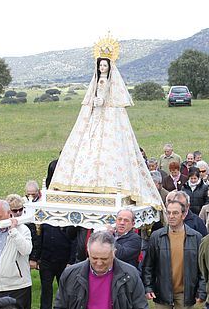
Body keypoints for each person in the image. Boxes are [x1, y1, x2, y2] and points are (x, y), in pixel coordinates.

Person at [48, 52, 163, 215]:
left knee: (108, 150)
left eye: (105, 66)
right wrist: (96, 102)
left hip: (108, 117)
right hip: (95, 116)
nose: (102, 68)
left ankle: (107, 183)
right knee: (89, 147)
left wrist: (102, 100)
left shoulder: (109, 84)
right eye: (100, 65)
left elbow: (109, 96)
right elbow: (92, 97)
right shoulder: (97, 81)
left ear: (110, 68)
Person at [142, 200, 206, 309]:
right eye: (168, 212)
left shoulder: (196, 237)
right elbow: (148, 265)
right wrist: (148, 285)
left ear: (184, 215)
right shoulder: (157, 236)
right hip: (163, 289)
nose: (171, 216)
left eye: (175, 213)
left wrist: (202, 290)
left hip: (186, 290)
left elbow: (203, 268)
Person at [31, 221, 74, 309]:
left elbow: (74, 241)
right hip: (46, 260)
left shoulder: (69, 223)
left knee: (65, 292)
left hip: (64, 261)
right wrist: (36, 258)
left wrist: (71, 261)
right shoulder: (45, 223)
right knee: (46, 290)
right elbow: (39, 240)